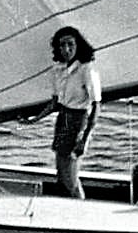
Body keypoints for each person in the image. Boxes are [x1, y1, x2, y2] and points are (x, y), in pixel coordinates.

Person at [24, 26, 101, 198]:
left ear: (78, 45)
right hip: (63, 118)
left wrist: (85, 139)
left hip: (79, 120)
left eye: (70, 45)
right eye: (62, 45)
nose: (66, 49)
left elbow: (96, 106)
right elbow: (54, 103)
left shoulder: (87, 69)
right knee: (61, 172)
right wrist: (33, 120)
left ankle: (81, 209)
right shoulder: (58, 70)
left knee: (71, 177)